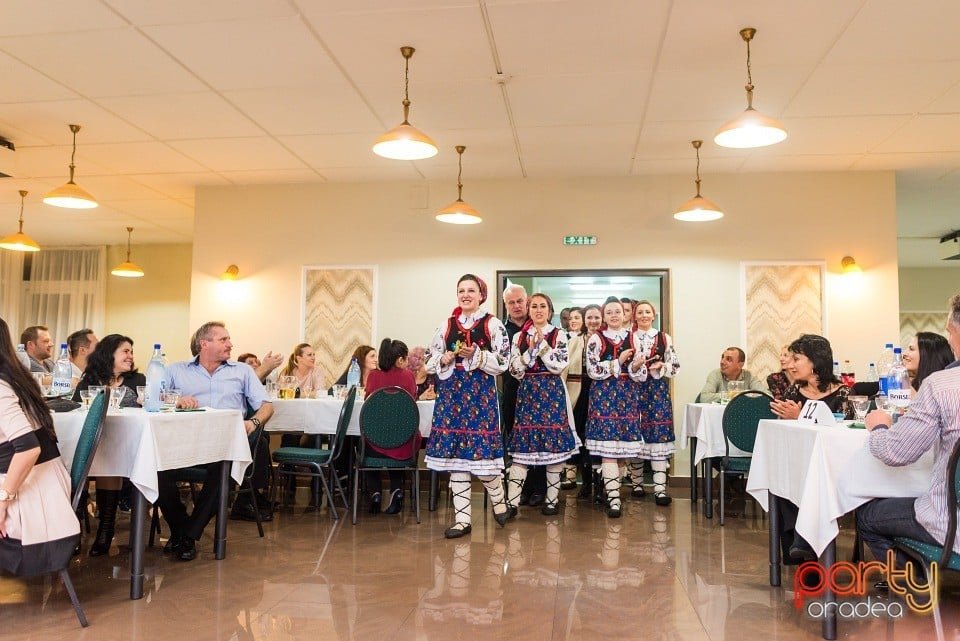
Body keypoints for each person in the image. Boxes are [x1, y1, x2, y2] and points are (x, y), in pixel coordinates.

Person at [857, 293, 960, 578]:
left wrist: (878, 426)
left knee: (866, 517)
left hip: (951, 525)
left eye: (950, 333)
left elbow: (897, 452)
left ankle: (916, 586)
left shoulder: (941, 385)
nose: (950, 342)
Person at [157, 321, 274, 561]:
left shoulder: (242, 371)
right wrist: (174, 402)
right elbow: (153, 402)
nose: (230, 344)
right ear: (204, 344)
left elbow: (267, 405)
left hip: (223, 446)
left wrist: (253, 423)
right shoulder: (175, 370)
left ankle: (187, 536)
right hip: (181, 444)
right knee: (156, 470)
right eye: (223, 340)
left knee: (224, 471)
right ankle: (182, 528)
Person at [425, 274, 511, 538]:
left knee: (482, 459)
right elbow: (429, 359)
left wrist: (478, 354)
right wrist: (445, 358)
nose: (465, 295)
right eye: (461, 290)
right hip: (451, 399)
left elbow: (504, 361)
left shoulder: (493, 324)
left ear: (481, 295)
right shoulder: (446, 325)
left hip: (480, 398)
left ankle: (499, 501)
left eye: (471, 290)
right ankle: (463, 520)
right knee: (456, 461)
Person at [0, 317, 80, 577]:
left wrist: (3, 501)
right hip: (46, 486)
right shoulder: (16, 378)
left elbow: (27, 448)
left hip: (34, 500)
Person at [769, 334, 851, 562]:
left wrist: (801, 416)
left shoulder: (843, 393)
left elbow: (845, 433)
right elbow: (783, 437)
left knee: (812, 481)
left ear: (815, 361)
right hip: (799, 464)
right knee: (781, 480)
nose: (791, 364)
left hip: (834, 467)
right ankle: (801, 548)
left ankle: (804, 546)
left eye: (797, 359)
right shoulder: (793, 393)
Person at [71, 334, 146, 556]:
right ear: (109, 354)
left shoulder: (137, 381)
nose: (131, 356)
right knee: (83, 461)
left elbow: (148, 410)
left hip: (123, 445)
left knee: (110, 461)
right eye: (125, 351)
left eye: (131, 352)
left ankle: (105, 531)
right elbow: (78, 413)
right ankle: (74, 530)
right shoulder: (89, 381)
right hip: (92, 444)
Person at [505, 293, 579, 517]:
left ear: (550, 311)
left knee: (553, 449)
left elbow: (558, 366)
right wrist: (530, 352)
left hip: (552, 395)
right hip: (527, 394)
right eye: (534, 306)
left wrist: (543, 346)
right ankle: (512, 503)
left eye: (543, 306)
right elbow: (515, 370)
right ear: (529, 310)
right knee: (521, 452)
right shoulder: (519, 337)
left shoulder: (560, 335)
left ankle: (552, 499)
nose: (538, 310)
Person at [585, 296, 647, 518]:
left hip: (628, 397)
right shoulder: (596, 339)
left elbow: (639, 375)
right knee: (608, 451)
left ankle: (615, 493)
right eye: (609, 312)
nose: (613, 315)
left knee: (621, 451)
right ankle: (613, 499)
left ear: (624, 314)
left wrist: (638, 367)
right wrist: (618, 362)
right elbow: (592, 370)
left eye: (617, 311)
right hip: (604, 397)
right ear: (604, 316)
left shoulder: (634, 338)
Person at [501, 284, 547, 506]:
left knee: (538, 441)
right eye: (511, 302)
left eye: (520, 301)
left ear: (527, 302)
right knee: (517, 442)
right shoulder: (501, 331)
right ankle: (522, 489)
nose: (517, 306)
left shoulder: (541, 328)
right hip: (513, 393)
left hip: (540, 396)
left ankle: (540, 488)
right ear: (506, 305)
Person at [631, 300, 680, 506]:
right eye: (640, 312)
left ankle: (660, 489)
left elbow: (676, 365)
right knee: (636, 433)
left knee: (658, 436)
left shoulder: (663, 337)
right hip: (634, 390)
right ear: (635, 316)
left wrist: (662, 366)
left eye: (647, 312)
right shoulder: (629, 337)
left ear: (654, 315)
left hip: (657, 392)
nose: (643, 315)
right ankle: (637, 484)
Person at [363, 338, 420, 515]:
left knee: (365, 444)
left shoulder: (373, 376)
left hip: (375, 441)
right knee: (398, 442)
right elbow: (412, 400)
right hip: (403, 442)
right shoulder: (408, 376)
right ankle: (396, 491)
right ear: (400, 360)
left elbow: (367, 401)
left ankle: (375, 494)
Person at [572, 304, 602, 499]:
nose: (593, 321)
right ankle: (586, 483)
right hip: (580, 392)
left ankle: (600, 486)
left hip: (601, 392)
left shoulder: (607, 340)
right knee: (582, 437)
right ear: (584, 320)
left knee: (599, 438)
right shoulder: (574, 341)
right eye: (589, 317)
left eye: (596, 317)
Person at [560, 308, 585, 489]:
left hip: (591, 390)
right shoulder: (570, 341)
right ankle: (570, 473)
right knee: (573, 428)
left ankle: (591, 477)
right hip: (573, 389)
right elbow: (564, 368)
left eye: (578, 317)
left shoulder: (592, 339)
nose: (573, 320)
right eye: (571, 318)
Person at [698, 347, 767, 403]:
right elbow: (704, 397)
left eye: (728, 359)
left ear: (740, 365)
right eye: (722, 357)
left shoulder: (749, 376)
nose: (722, 362)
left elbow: (767, 395)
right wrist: (732, 396)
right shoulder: (715, 374)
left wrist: (745, 396)